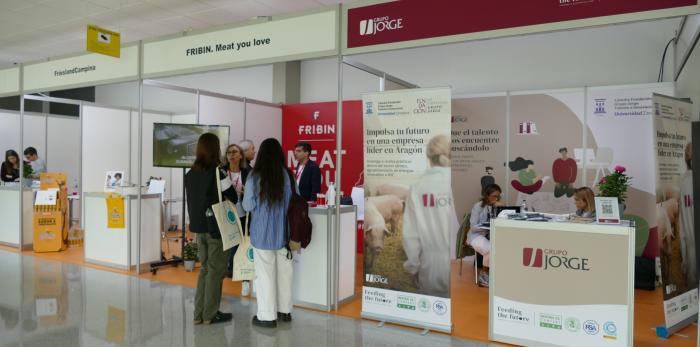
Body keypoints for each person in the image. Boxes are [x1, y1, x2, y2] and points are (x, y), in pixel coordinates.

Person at [185, 133, 238, 325]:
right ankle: (210, 314)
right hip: (216, 228)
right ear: (215, 149)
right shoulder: (218, 172)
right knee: (216, 271)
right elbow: (233, 196)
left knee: (205, 269)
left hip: (199, 228)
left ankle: (198, 314)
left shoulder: (190, 174)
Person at [242, 138, 293, 328]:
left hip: (262, 233)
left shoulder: (254, 177)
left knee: (265, 276)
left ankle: (266, 316)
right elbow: (289, 204)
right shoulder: (285, 175)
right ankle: (284, 311)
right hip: (283, 234)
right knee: (285, 273)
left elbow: (248, 205)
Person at [403, 134, 456, 298]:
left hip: (431, 265)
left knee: (433, 314)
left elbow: (410, 234)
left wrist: (413, 266)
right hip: (459, 263)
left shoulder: (418, 187)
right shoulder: (456, 181)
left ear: (428, 156)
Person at [222, 144, 252, 296]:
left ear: (241, 155)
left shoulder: (249, 173)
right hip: (225, 215)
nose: (231, 155)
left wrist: (247, 192)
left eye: (235, 152)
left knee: (244, 246)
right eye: (228, 152)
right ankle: (228, 270)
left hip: (244, 215)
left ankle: (245, 280)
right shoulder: (221, 172)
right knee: (229, 246)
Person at [467, 184, 502, 287]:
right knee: (491, 249)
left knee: (498, 249)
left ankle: (490, 275)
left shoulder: (495, 206)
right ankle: (484, 276)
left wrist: (500, 210)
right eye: (494, 196)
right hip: (475, 236)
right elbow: (473, 227)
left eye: (498, 196)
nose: (496, 199)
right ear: (487, 195)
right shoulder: (478, 206)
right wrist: (487, 226)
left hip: (487, 236)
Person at [679, 143, 696, 286]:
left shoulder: (684, 182)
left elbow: (682, 227)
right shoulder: (688, 181)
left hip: (691, 265)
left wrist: (684, 262)